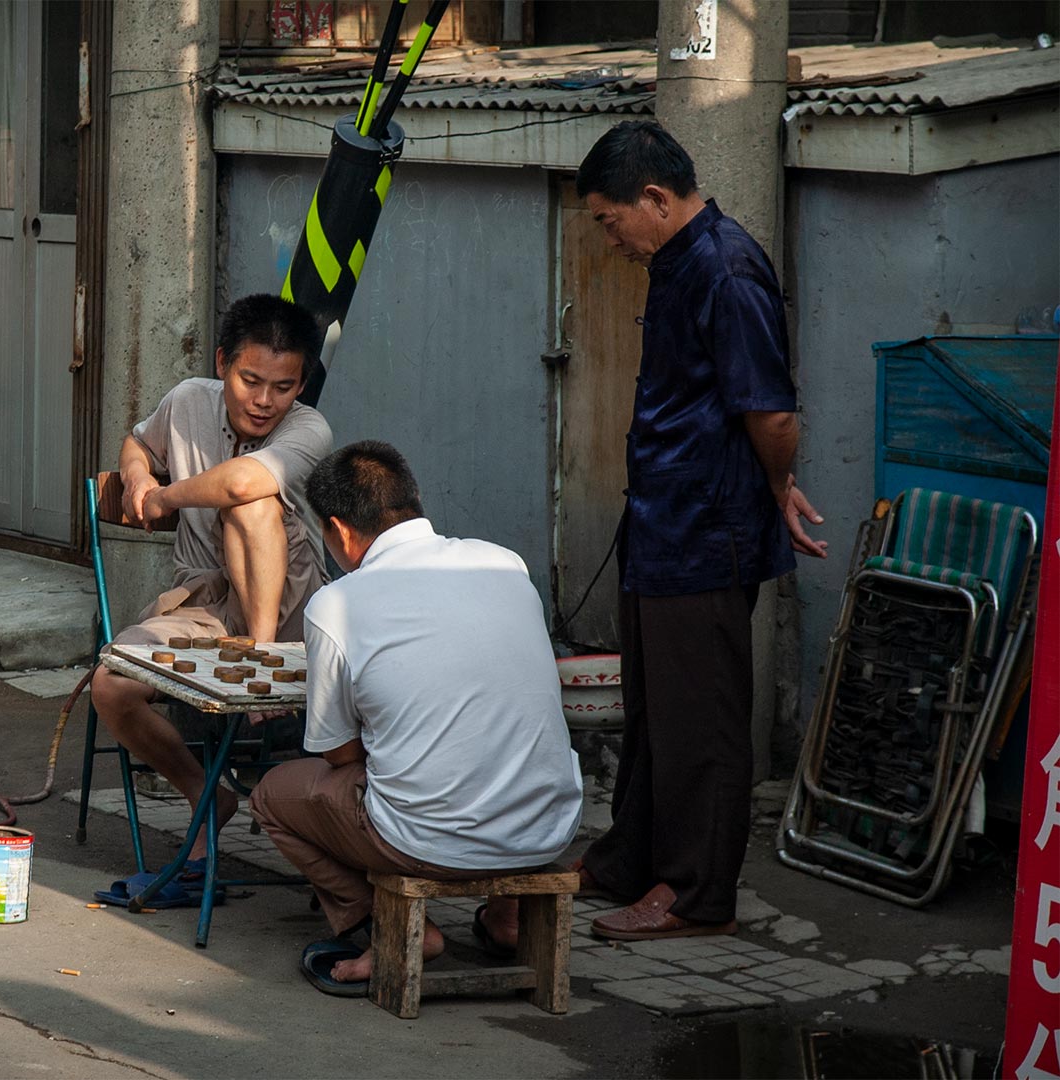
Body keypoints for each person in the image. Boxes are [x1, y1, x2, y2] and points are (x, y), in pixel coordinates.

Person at [572, 120, 827, 941]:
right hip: (660, 522)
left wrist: (776, 483)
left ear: (653, 199)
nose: (610, 238)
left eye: (610, 219)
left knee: (701, 720)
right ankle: (627, 860)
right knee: (650, 711)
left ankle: (692, 892)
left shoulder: (725, 268)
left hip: (705, 529)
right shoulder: (679, 262)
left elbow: (772, 411)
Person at [249, 440, 583, 995]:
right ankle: (505, 918)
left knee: (274, 796)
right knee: (497, 747)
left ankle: (387, 929)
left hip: (426, 841)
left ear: (339, 531)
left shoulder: (338, 604)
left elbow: (340, 755)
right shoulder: (505, 563)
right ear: (414, 502)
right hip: (549, 827)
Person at [90, 294, 332, 893]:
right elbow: (138, 443)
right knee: (112, 685)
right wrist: (142, 472)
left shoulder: (310, 427)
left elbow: (246, 482)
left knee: (247, 504)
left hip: (294, 609)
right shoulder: (187, 400)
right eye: (250, 380)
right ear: (223, 362)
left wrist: (167, 497)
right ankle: (208, 794)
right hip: (203, 605)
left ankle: (262, 656)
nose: (264, 400)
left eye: (283, 386)